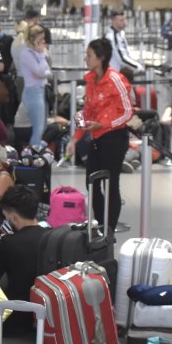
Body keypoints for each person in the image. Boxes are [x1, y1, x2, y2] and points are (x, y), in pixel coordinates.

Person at [66, 38, 134, 232]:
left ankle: (109, 230)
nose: (86, 58)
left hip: (114, 138)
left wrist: (103, 124)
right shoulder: (90, 80)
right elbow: (87, 111)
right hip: (96, 138)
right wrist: (74, 138)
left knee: (111, 185)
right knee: (92, 182)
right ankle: (100, 224)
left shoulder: (115, 79)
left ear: (101, 58)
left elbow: (128, 112)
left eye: (89, 55)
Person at [0, 185, 49, 306]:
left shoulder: (6, 243)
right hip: (47, 310)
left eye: (6, 217)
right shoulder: (51, 237)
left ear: (13, 217)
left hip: (16, 313)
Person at [18, 26, 51, 149]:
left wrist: (43, 72)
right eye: (41, 38)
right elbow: (40, 72)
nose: (43, 41)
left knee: (41, 127)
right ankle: (34, 154)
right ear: (33, 40)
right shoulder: (27, 54)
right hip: (33, 93)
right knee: (38, 128)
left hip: (39, 91)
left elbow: (47, 72)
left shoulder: (37, 53)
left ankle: (35, 151)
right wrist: (42, 55)